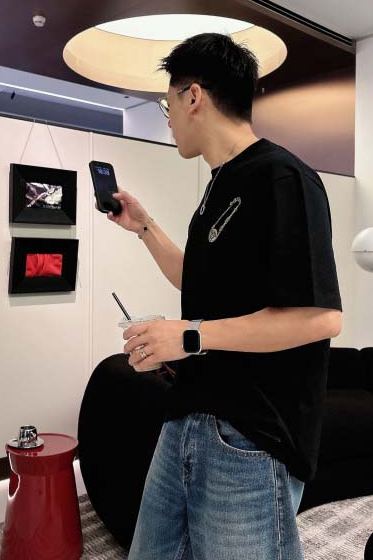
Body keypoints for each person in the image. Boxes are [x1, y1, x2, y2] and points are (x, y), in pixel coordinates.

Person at [97, 32, 343, 559]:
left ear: (193, 96)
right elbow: (199, 280)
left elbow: (319, 318)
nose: (167, 117)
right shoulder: (218, 185)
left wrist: (188, 336)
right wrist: (145, 228)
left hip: (250, 436)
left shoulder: (283, 177)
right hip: (188, 417)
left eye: (167, 102)